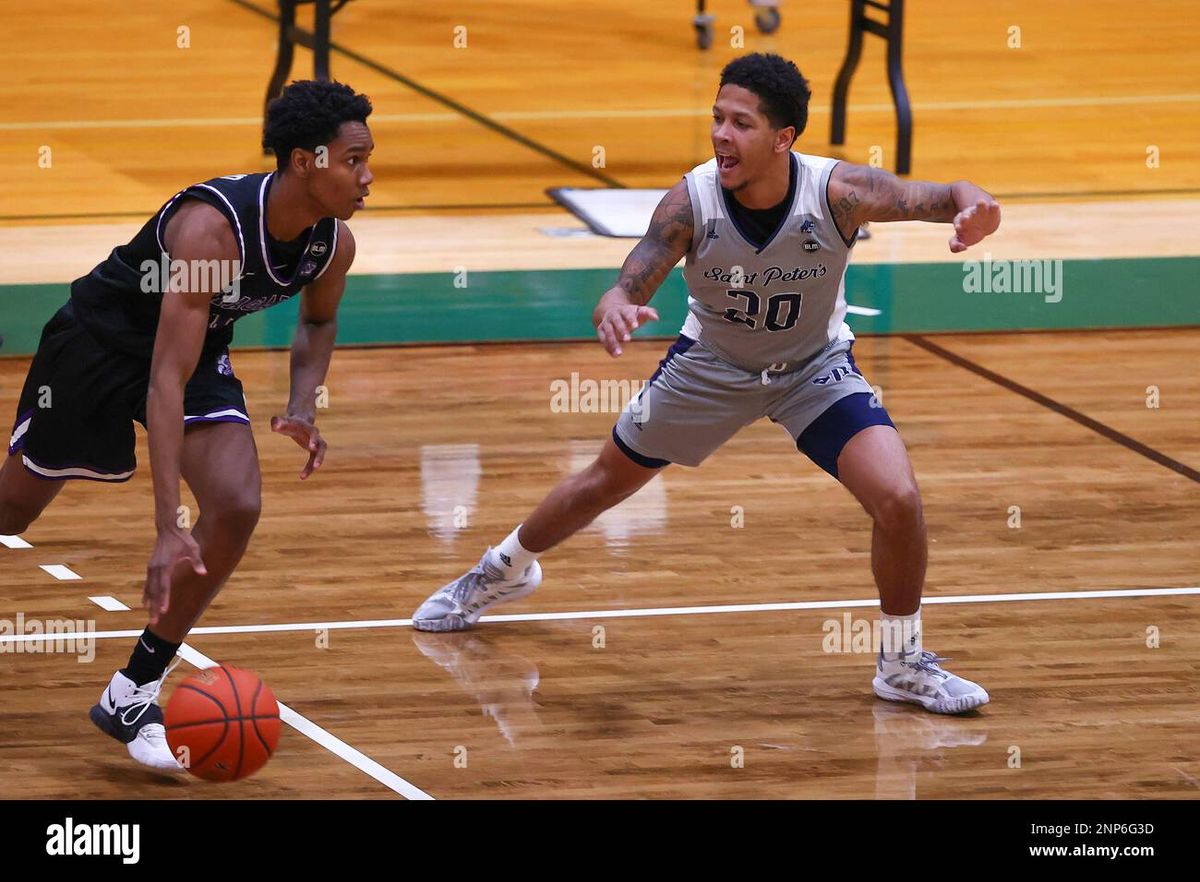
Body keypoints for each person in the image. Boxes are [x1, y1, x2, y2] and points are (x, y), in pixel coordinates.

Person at [412, 53, 1001, 715]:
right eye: (717, 118)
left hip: (814, 370)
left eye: (741, 123)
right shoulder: (690, 201)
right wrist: (614, 305)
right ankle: (502, 570)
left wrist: (978, 206)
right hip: (711, 369)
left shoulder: (840, 192)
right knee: (603, 482)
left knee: (898, 499)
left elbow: (945, 194)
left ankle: (902, 664)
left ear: (783, 139)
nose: (721, 134)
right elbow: (630, 278)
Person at [0, 79, 374, 767]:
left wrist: (300, 402)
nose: (367, 176)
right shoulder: (212, 230)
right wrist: (167, 525)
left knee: (235, 505)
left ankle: (133, 688)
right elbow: (161, 381)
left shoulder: (331, 246)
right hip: (97, 348)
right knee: (11, 513)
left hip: (193, 355)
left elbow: (318, 321)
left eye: (367, 159)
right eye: (352, 160)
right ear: (303, 161)